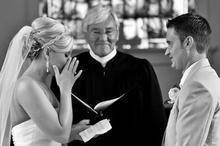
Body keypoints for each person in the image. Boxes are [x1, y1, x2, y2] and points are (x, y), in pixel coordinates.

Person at [51, 4, 167, 146]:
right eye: (96, 32)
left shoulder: (141, 69)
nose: (103, 38)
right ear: (85, 33)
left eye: (109, 31)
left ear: (117, 33)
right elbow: (53, 121)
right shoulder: (69, 68)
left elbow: (156, 122)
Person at [0, 17, 90, 146]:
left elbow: (47, 136)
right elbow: (61, 136)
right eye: (66, 55)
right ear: (47, 52)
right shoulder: (26, 86)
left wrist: (73, 132)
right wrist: (66, 89)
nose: (69, 61)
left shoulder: (42, 85)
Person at [163, 13, 220, 146]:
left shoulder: (198, 86)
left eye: (170, 44)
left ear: (188, 42)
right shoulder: (206, 78)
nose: (167, 51)